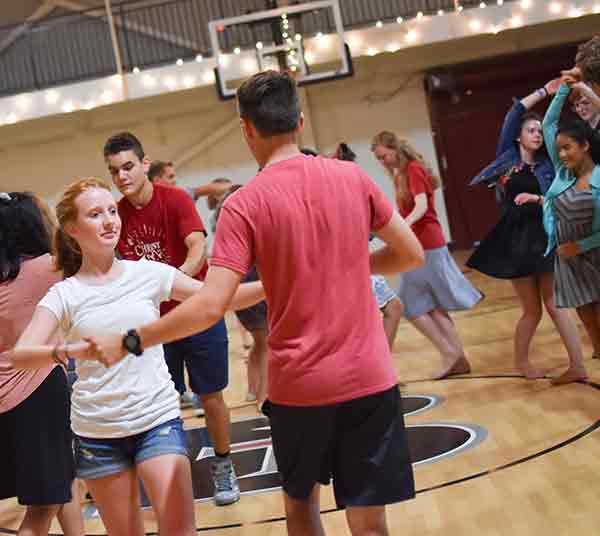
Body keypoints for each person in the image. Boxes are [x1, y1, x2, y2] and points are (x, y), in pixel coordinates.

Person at [84, 70, 425, 536]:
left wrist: (132, 339)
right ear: (300, 121)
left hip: (299, 387)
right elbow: (409, 254)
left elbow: (210, 305)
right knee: (370, 524)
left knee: (302, 508)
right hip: (370, 378)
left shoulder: (245, 204)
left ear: (246, 128)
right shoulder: (353, 177)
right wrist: (348, 262)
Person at [9, 179, 265, 535]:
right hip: (97, 433)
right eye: (95, 214)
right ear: (71, 229)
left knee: (179, 529)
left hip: (156, 420)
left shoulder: (148, 273)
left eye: (112, 211)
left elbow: (218, 297)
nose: (110, 220)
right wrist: (68, 351)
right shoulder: (64, 293)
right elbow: (21, 355)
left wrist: (275, 283)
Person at [103, 133, 241, 506]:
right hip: (154, 325)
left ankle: (224, 465)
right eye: (114, 171)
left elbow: (198, 247)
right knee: (161, 402)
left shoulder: (175, 199)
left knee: (211, 395)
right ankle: (167, 476)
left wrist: (172, 281)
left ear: (145, 165)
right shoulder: (116, 215)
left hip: (196, 313)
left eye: (128, 167)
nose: (122, 177)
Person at [468, 82, 586, 383]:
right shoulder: (507, 159)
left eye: (538, 130)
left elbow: (557, 199)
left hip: (545, 237)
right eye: (530, 130)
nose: (536, 133)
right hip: (515, 241)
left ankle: (577, 366)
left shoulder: (550, 164)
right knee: (531, 311)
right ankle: (522, 363)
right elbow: (515, 113)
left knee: (555, 305)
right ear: (518, 136)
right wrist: (546, 90)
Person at [0, 191, 84, 536]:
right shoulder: (48, 269)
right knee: (42, 508)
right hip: (39, 392)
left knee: (63, 482)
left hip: (5, 402)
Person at [371, 132, 481, 379]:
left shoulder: (414, 169)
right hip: (421, 244)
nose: (383, 162)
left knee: (410, 305)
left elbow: (421, 207)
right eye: (378, 159)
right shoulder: (401, 173)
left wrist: (401, 229)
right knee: (431, 305)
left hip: (426, 244)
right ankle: (457, 357)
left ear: (393, 149)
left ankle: (450, 354)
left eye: (383, 156)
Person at [541, 81, 600, 361]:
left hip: (595, 254)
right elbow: (548, 123)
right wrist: (564, 88)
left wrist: (582, 244)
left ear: (585, 145)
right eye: (559, 149)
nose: (562, 154)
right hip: (568, 259)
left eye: (568, 148)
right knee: (590, 327)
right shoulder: (562, 173)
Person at [333, 142, 404, 350]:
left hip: (353, 263)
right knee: (392, 308)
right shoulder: (343, 194)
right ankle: (381, 369)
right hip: (353, 265)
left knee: (390, 309)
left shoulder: (344, 193)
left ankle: (379, 368)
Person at [214, 185, 269, 406]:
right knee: (267, 343)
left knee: (259, 341)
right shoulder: (248, 222)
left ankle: (253, 389)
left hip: (239, 288)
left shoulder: (225, 223)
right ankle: (264, 395)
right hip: (253, 286)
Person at [148, 160, 232, 203]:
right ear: (157, 181)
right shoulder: (175, 199)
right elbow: (203, 190)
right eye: (170, 177)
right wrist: (234, 188)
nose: (175, 181)